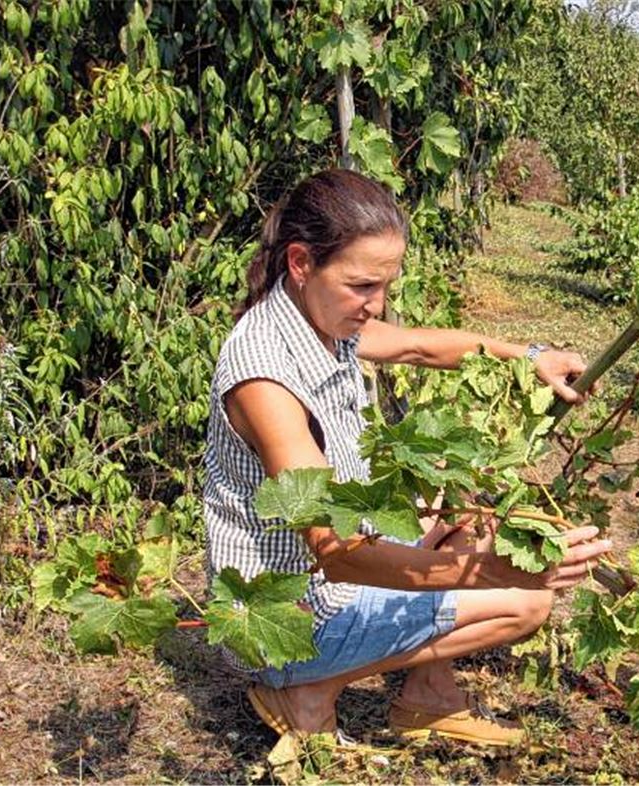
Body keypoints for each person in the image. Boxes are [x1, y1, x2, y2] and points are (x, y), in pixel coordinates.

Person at [203, 169, 612, 746]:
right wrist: (493, 573)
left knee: (463, 516)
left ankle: (428, 697)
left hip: (332, 577)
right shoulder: (265, 380)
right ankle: (307, 689)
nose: (377, 305)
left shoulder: (319, 320)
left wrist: (531, 356)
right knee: (526, 599)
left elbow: (420, 345)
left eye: (386, 286)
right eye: (363, 286)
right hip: (284, 622)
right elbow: (335, 553)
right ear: (300, 263)